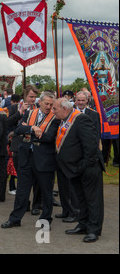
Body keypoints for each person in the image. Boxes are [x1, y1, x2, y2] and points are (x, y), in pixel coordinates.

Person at [1, 91, 60, 229]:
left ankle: (45, 220)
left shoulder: (55, 118)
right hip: (26, 157)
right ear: (40, 102)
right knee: (22, 190)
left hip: (45, 159)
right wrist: (32, 128)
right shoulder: (30, 113)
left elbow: (49, 137)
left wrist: (28, 133)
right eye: (46, 104)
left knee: (46, 192)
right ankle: (15, 218)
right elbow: (18, 129)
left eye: (51, 105)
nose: (48, 107)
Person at [52, 98, 105, 243]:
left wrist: (82, 165)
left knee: (92, 200)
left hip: (88, 168)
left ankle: (93, 230)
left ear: (64, 108)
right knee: (81, 199)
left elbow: (91, 146)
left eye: (55, 108)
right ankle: (83, 224)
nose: (53, 111)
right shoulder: (65, 119)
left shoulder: (81, 119)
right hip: (75, 169)